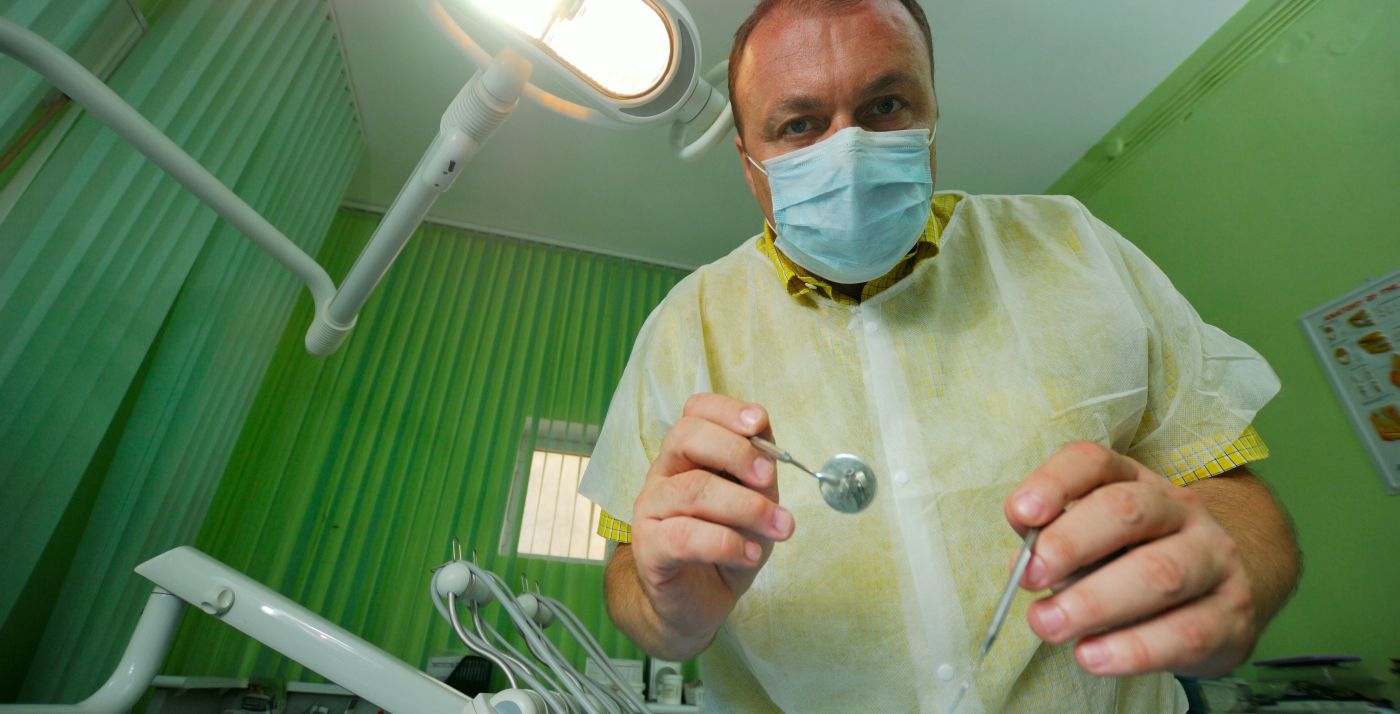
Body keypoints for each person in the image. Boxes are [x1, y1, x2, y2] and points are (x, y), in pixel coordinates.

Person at [578, 0, 1301, 710]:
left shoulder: (1073, 246)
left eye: (885, 106)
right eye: (798, 124)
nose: (848, 151)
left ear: (931, 118)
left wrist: (1220, 576)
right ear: (748, 163)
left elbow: (1226, 490)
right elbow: (630, 573)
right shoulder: (685, 328)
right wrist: (669, 612)